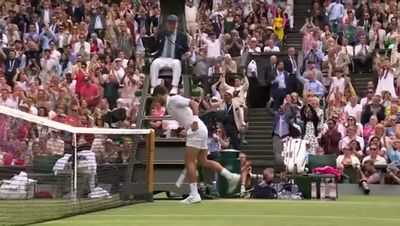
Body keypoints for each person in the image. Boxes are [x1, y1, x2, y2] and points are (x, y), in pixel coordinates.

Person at [152, 85, 240, 204]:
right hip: (199, 130)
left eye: (156, 99)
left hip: (197, 130)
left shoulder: (174, 99)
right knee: (203, 161)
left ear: (159, 95)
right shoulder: (169, 105)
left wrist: (194, 122)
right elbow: (185, 118)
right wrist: (186, 129)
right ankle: (230, 176)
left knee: (189, 162)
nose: (156, 102)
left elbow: (194, 104)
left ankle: (194, 194)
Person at [149, 15, 191, 95]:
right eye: (170, 23)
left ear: (177, 24)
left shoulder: (182, 36)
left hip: (174, 59)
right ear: (167, 24)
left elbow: (186, 49)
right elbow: (154, 48)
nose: (172, 25)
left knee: (177, 64)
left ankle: (174, 87)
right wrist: (154, 38)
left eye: (174, 23)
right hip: (162, 58)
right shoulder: (161, 34)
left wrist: (188, 52)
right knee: (154, 63)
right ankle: (153, 87)